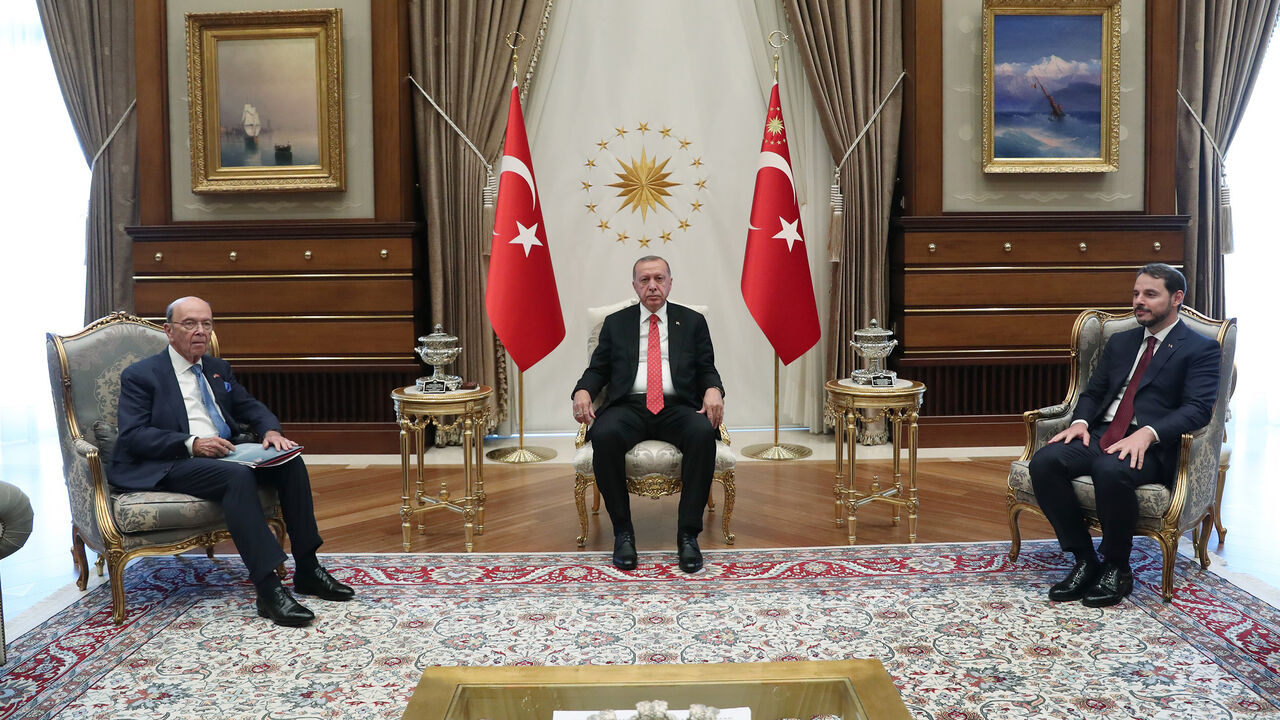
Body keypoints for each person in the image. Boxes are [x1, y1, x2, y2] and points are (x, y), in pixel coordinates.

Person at [112, 296, 354, 627]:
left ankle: (308, 568)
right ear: (168, 331)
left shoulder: (217, 369)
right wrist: (193, 444)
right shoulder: (142, 375)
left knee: (289, 461)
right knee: (235, 477)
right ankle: (268, 589)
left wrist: (271, 431)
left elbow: (250, 406)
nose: (200, 331)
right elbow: (134, 435)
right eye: (190, 324)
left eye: (206, 324)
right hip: (172, 461)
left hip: (226, 452)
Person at [1029, 263, 1220, 607]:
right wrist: (1080, 422)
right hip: (1104, 433)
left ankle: (1117, 567)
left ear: (1176, 298)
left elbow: (1197, 409)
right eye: (1136, 293)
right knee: (1045, 462)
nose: (1138, 301)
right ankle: (1085, 560)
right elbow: (1092, 392)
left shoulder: (1200, 348)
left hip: (1153, 445)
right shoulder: (1121, 342)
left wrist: (1148, 433)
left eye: (1150, 294)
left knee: (1110, 469)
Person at [572, 256, 725, 573]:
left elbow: (706, 368)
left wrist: (714, 389)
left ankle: (687, 536)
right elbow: (598, 369)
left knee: (701, 434)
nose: (652, 286)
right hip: (628, 405)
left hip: (677, 405)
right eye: (645, 280)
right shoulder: (616, 323)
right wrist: (582, 391)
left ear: (670, 283)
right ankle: (623, 533)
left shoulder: (692, 321)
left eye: (659, 278)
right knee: (604, 434)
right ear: (635, 285)